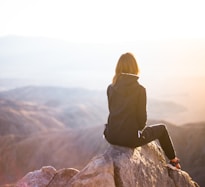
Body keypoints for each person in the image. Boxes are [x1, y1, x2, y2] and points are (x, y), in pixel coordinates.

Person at [103, 52, 181, 169]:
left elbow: (112, 110)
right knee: (162, 129)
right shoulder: (140, 90)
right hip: (130, 139)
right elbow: (142, 120)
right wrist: (137, 131)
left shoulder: (110, 87)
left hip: (111, 136)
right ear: (135, 68)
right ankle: (174, 161)